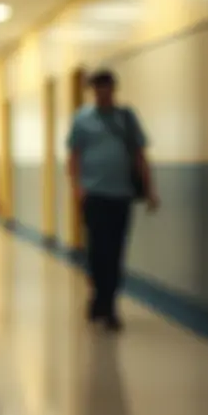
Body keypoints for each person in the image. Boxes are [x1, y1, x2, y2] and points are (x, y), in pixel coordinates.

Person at [66, 70, 159, 331]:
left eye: (105, 88)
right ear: (92, 91)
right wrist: (76, 187)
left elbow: (140, 154)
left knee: (116, 251)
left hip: (122, 194)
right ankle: (99, 295)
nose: (101, 93)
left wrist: (150, 189)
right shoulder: (82, 120)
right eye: (97, 88)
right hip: (93, 194)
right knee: (96, 251)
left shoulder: (127, 118)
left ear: (113, 89)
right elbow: (73, 156)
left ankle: (109, 305)